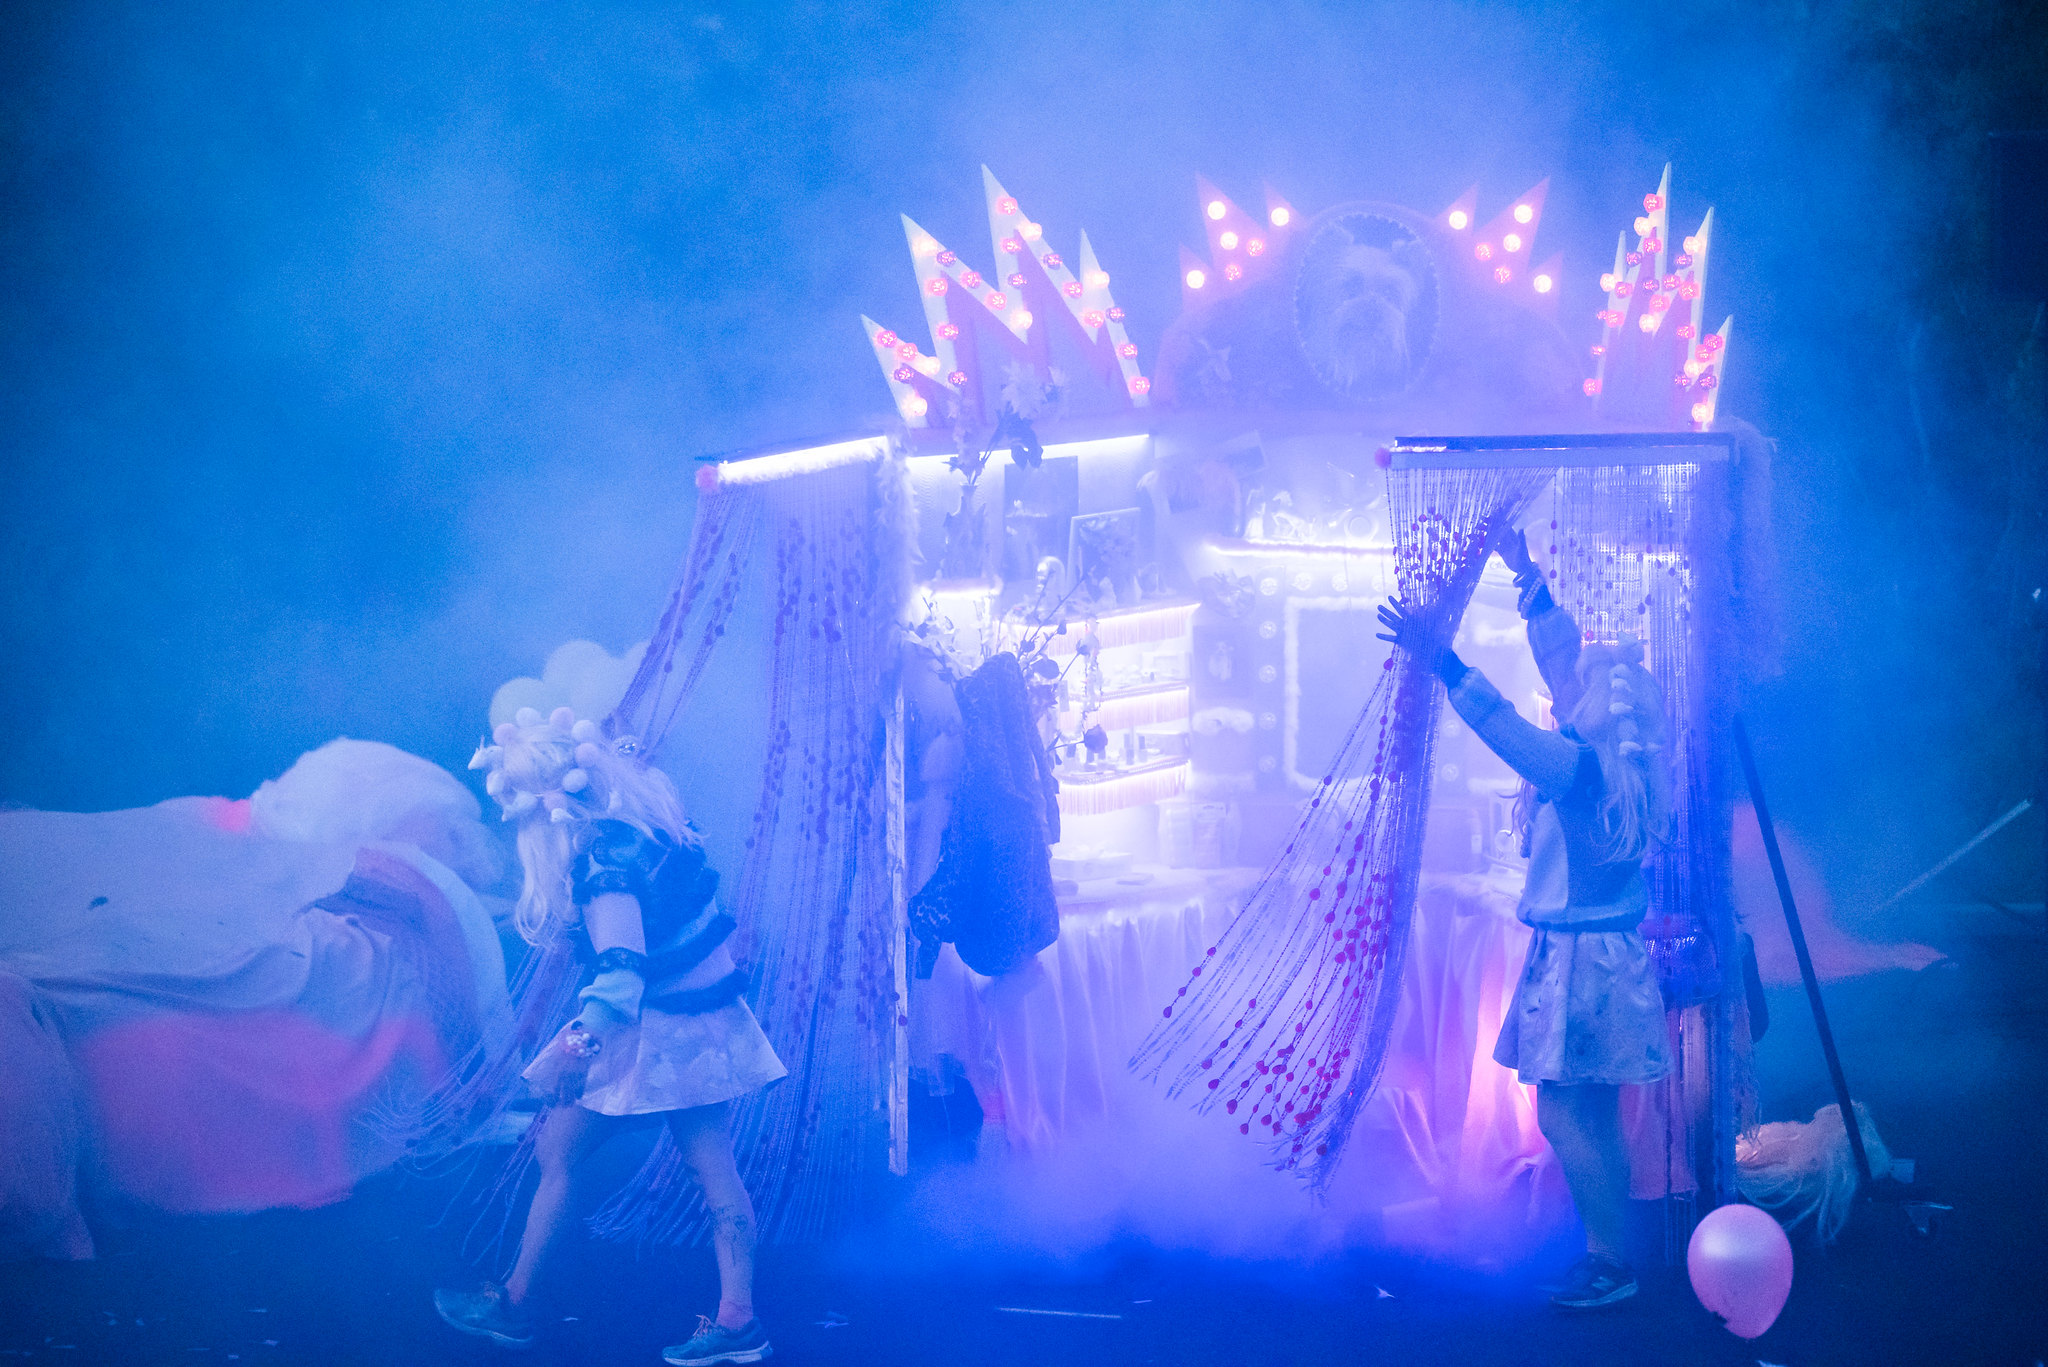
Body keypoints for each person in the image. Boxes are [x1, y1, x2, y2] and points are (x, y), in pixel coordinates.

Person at [1377, 524, 1673, 1309]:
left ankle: (1609, 1259)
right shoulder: (1623, 765)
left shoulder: (1576, 767)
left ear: (1595, 709)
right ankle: (1611, 1253)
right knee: (1591, 1111)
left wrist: (1442, 660)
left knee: (1565, 1112)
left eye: (1579, 689)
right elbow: (1564, 660)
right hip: (1603, 955)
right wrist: (1526, 573)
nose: (1566, 685)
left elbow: (1503, 725)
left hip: (1582, 963)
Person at [434, 707, 786, 1364]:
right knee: (672, 1163)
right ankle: (734, 1321)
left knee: (577, 1151)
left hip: (657, 1031)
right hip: (696, 1021)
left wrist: (574, 1051)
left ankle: (518, 1305)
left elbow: (621, 977)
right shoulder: (644, 825)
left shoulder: (604, 866)